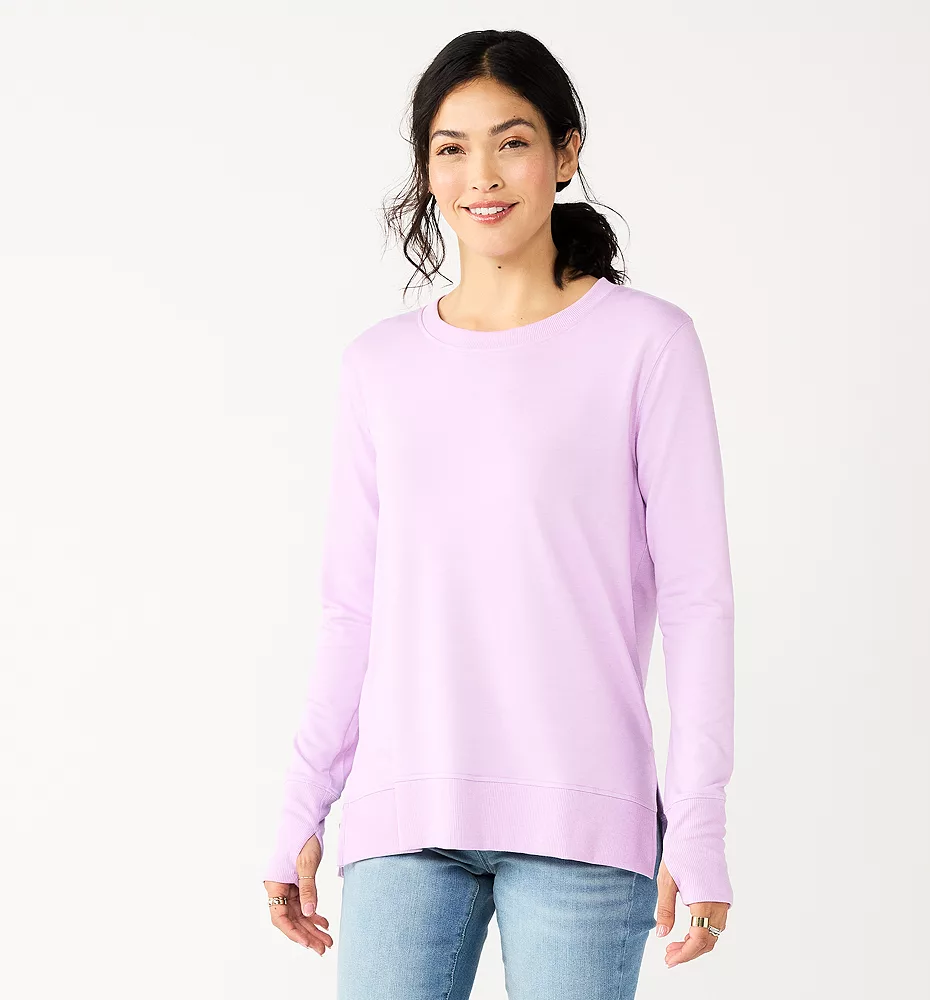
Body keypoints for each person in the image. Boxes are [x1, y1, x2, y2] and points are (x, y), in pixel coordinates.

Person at [262, 28, 736, 998]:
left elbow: (698, 601)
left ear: (565, 152)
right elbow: (352, 607)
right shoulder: (380, 364)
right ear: (426, 168)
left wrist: (698, 823)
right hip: (403, 817)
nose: (481, 174)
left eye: (512, 142)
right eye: (452, 147)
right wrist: (302, 806)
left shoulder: (646, 344)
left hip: (582, 818)